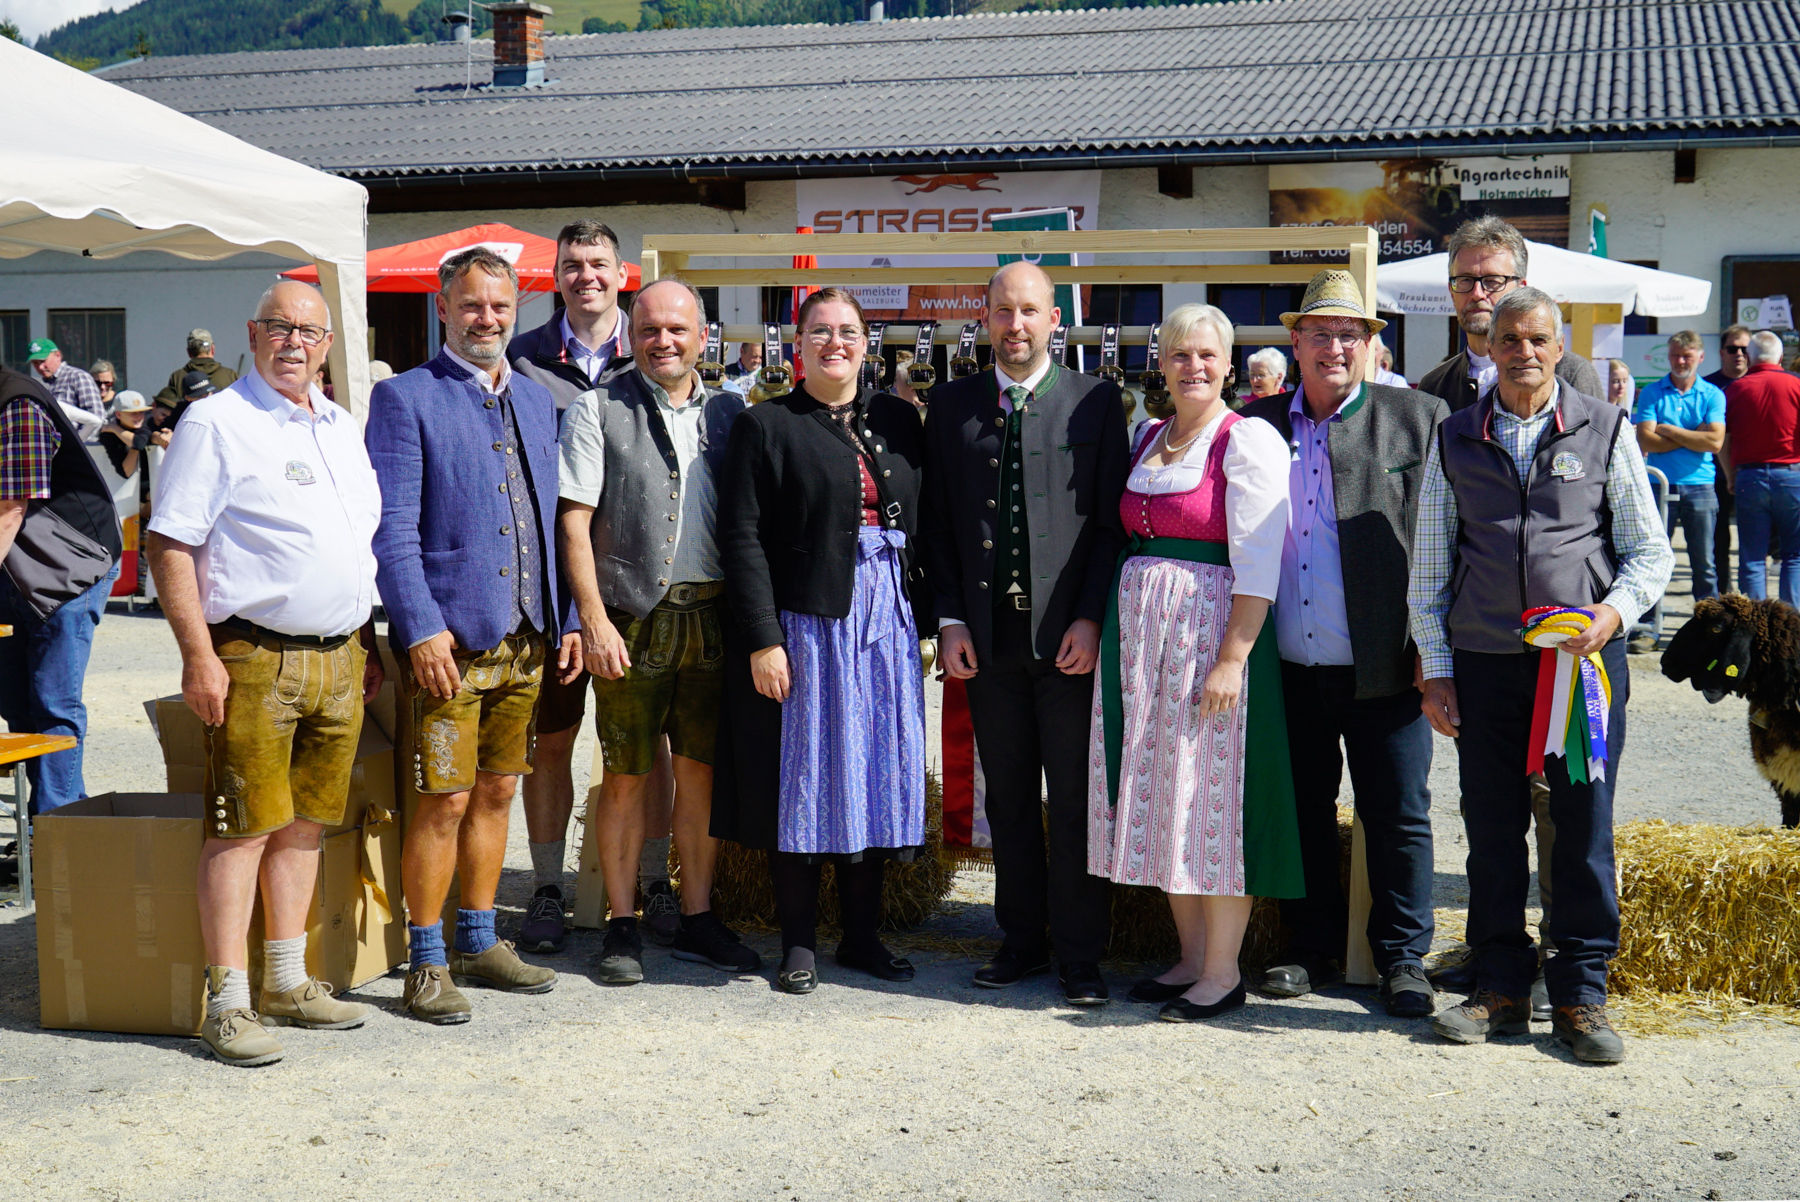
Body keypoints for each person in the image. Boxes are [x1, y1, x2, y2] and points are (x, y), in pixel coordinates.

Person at [1410, 287, 1673, 1064]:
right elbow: (1429, 564)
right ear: (1486, 348)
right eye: (1508, 340)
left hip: (1582, 665)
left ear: (1560, 349)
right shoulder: (1455, 435)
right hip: (1486, 667)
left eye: (1537, 340)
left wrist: (1614, 614)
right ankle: (1498, 985)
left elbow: (1649, 551)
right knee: (1492, 832)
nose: (1523, 352)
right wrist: (1435, 668)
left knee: (1583, 830)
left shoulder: (1605, 428)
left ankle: (1581, 993)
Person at [145, 280, 382, 1066]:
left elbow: (357, 542)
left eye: (309, 332)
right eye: (279, 327)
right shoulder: (217, 420)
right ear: (252, 334)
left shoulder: (341, 426)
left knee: (307, 824)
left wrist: (367, 644)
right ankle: (229, 1001)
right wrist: (196, 655)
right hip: (252, 655)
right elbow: (170, 543)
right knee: (241, 827)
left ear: (327, 345)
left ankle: (287, 979)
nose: (294, 342)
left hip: (339, 654)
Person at [365, 246, 575, 1023]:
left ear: (514, 307)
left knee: (497, 790)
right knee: (443, 800)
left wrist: (569, 619)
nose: (485, 318)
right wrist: (418, 630)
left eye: (498, 306)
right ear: (444, 309)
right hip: (450, 641)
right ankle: (426, 962)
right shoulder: (407, 398)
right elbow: (390, 529)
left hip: (525, 636)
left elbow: (552, 519)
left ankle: (480, 938)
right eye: (470, 306)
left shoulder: (533, 397)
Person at [1235, 269, 1446, 1019]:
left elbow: (1447, 543)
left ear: (1369, 346)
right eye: (1319, 334)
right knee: (1300, 809)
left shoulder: (1419, 417)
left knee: (1397, 812)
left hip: (1387, 662)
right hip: (1289, 660)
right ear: (1294, 343)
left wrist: (1434, 646)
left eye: (1349, 335)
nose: (1334, 347)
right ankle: (1307, 947)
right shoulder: (1253, 425)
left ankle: (1402, 958)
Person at [920, 261, 1129, 1005]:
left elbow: (1111, 525)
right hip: (987, 639)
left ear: (1053, 321)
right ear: (985, 319)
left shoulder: (1098, 402)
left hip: (1068, 641)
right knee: (1007, 797)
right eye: (1002, 312)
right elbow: (936, 524)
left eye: (1029, 312)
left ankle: (1079, 954)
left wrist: (1092, 617)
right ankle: (1021, 940)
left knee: (1073, 800)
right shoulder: (950, 405)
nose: (1015, 326)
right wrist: (946, 619)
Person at [1086, 302, 1298, 1022]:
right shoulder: (1148, 436)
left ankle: (1221, 970)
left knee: (1213, 799)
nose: (1194, 366)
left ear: (1229, 365)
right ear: (1163, 364)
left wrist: (1232, 657)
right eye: (1180, 354)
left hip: (1209, 636)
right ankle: (1187, 956)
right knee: (1161, 793)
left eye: (1208, 355)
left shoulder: (1246, 441)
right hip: (1146, 644)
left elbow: (1261, 560)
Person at [713, 288, 928, 994]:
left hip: (884, 618)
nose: (836, 342)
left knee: (870, 772)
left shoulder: (897, 419)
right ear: (796, 345)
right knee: (807, 779)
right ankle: (799, 943)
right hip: (809, 621)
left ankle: (863, 938)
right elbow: (741, 537)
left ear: (868, 342)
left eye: (849, 331)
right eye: (821, 332)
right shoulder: (767, 425)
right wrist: (763, 639)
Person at [556, 278, 759, 986]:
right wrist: (594, 619)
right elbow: (575, 523)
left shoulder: (735, 413)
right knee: (626, 778)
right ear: (630, 336)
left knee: (701, 776)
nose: (663, 341)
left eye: (677, 330)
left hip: (714, 619)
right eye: (649, 330)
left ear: (702, 337)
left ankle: (699, 916)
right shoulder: (596, 409)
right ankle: (621, 921)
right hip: (633, 622)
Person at [509, 219, 677, 954]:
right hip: (550, 592)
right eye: (572, 265)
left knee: (649, 750)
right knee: (550, 743)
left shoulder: (651, 351)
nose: (586, 276)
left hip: (638, 592)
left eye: (599, 264)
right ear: (557, 277)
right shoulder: (521, 358)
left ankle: (653, 882)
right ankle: (546, 887)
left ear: (622, 273)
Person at [0, 366, 122, 815]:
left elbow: (10, 509)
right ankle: (61, 821)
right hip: (16, 569)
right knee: (17, 706)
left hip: (72, 565)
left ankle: (54, 830)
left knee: (54, 702)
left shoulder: (19, 405)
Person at [1417, 218, 1603, 412]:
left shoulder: (1570, 374)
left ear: (1520, 288)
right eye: (1465, 280)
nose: (1477, 293)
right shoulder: (1434, 386)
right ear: (1451, 290)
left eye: (1493, 281)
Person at [1634, 330, 1725, 611]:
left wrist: (1669, 431)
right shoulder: (1652, 391)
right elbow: (1646, 440)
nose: (1680, 361)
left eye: (1686, 356)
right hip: (1660, 486)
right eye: (1675, 355)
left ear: (1700, 357)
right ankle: (1649, 625)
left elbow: (1715, 442)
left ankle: (1710, 627)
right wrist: (1692, 436)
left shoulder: (1712, 394)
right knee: (1654, 559)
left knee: (1705, 563)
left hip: (1700, 487)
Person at [1725, 330, 1800, 601]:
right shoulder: (1796, 385)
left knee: (1753, 557)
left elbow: (1725, 439)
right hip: (1791, 474)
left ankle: (1754, 627)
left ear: (1748, 356)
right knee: (1795, 555)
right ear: (1780, 355)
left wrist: (1731, 475)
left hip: (1749, 475)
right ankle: (1790, 627)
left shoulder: (1734, 389)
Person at [1705, 324, 1753, 592]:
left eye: (1745, 349)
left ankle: (1750, 595)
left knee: (1753, 540)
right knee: (1718, 539)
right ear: (1722, 352)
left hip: (1750, 474)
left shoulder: (1756, 384)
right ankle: (1724, 593)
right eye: (1733, 348)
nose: (1739, 354)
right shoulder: (1709, 386)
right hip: (1715, 476)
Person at [26, 339, 105, 431]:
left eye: (43, 361)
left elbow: (97, 419)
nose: (40, 367)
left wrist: (78, 441)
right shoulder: (38, 385)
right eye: (35, 363)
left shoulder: (78, 377)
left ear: (58, 355)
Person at [153, 328, 237, 410]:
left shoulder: (177, 377)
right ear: (212, 349)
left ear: (188, 352)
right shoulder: (230, 375)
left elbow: (170, 410)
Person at [96, 389, 154, 490]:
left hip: (151, 485)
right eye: (133, 413)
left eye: (141, 412)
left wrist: (115, 428)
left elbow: (138, 443)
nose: (139, 417)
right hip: (120, 490)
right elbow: (125, 472)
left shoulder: (145, 425)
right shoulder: (108, 435)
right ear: (118, 415)